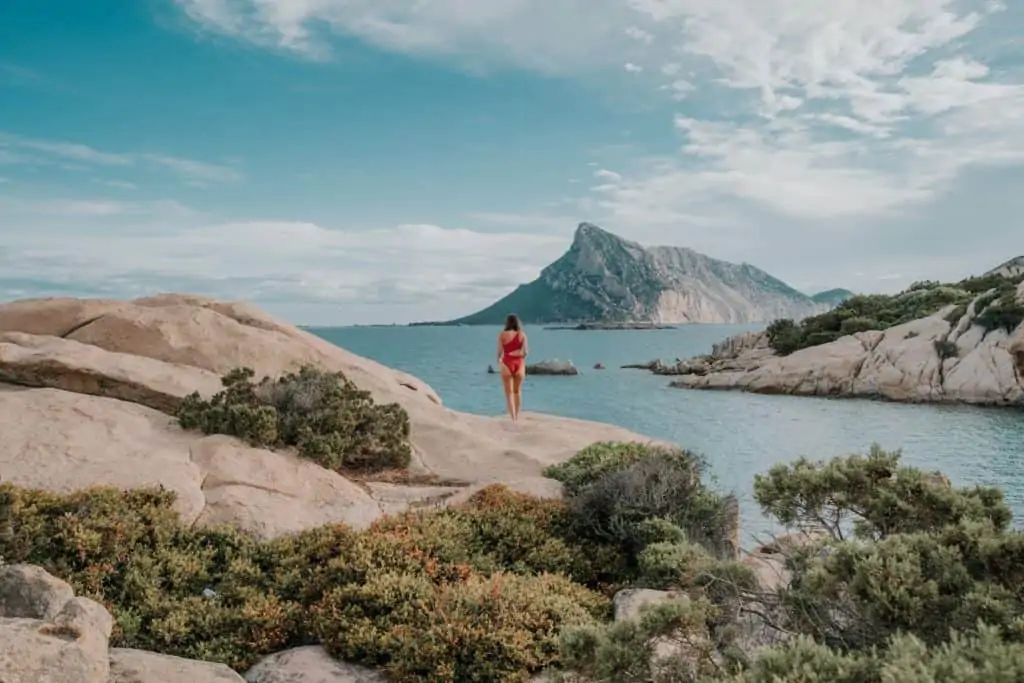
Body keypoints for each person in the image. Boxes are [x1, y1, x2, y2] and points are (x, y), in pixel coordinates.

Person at [497, 313, 528, 421]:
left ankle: (513, 418)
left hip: (507, 363)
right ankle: (518, 415)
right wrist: (516, 354)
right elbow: (525, 353)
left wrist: (499, 363)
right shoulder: (522, 335)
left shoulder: (502, 335)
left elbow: (499, 353)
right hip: (519, 363)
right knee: (517, 391)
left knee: (509, 393)